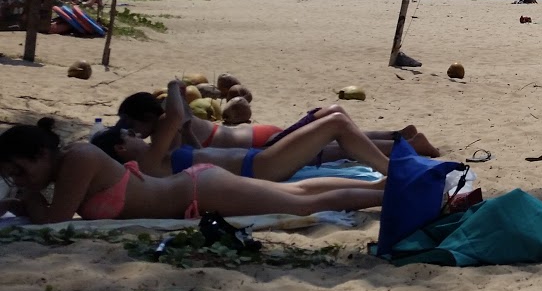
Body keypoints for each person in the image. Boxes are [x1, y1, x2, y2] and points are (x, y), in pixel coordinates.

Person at [0, 118, 384, 224]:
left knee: (301, 204)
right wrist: (22, 202)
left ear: (42, 154)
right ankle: (384, 186)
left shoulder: (78, 159)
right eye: (12, 176)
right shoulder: (73, 163)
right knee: (297, 195)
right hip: (198, 188)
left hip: (199, 191)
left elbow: (56, 220)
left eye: (19, 170)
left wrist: (28, 199)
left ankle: (387, 193)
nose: (19, 179)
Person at [96, 80, 392, 181]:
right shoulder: (152, 154)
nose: (133, 133)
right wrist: (174, 86)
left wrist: (186, 130)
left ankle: (394, 156)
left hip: (258, 158)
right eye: (127, 133)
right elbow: (173, 113)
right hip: (260, 164)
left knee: (333, 130)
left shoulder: (161, 146)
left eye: (131, 127)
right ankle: (393, 169)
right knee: (334, 125)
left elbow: (193, 153)